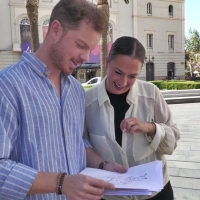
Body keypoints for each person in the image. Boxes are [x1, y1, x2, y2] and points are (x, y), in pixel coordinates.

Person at [0, 0, 127, 199]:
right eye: (81, 45)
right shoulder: (7, 86)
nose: (86, 57)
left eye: (90, 49)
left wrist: (104, 165)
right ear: (56, 30)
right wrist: (61, 183)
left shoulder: (76, 90)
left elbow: (77, 142)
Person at [84, 36, 180, 200]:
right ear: (107, 62)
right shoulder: (87, 102)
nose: (123, 82)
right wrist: (104, 165)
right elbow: (82, 147)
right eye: (118, 72)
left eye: (132, 76)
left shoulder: (151, 94)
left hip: (156, 192)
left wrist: (151, 128)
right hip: (110, 195)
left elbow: (172, 143)